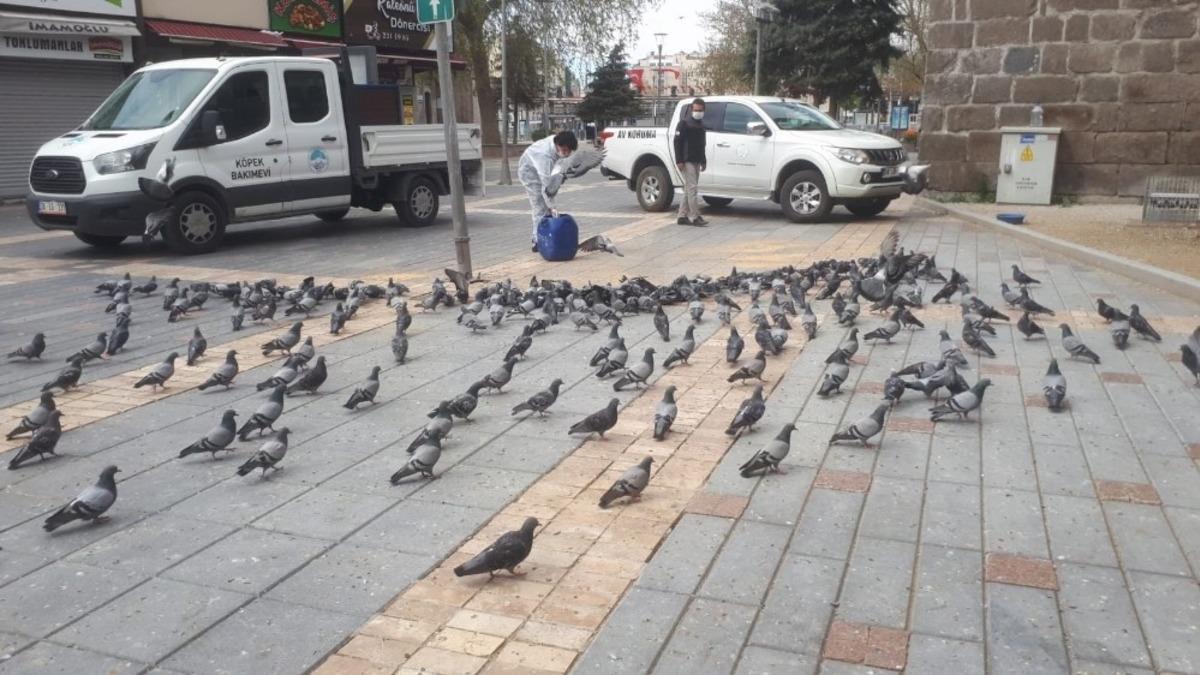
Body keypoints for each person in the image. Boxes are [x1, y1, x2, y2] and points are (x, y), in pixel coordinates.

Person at [519, 130, 578, 251]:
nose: (567, 153)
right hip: (530, 174)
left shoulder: (557, 141)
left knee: (545, 209)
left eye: (569, 151)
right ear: (558, 145)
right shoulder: (544, 155)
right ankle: (537, 241)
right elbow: (546, 186)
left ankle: (545, 236)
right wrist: (552, 206)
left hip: (541, 170)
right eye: (565, 150)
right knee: (539, 207)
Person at [673, 98, 708, 226]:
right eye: (696, 110)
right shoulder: (684, 123)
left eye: (700, 110)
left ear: (704, 110)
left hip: (697, 160)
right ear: (691, 109)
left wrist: (703, 160)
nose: (698, 112)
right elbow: (677, 142)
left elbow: (702, 144)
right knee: (693, 188)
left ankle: (682, 216)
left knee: (689, 189)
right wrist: (679, 160)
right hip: (686, 160)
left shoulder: (701, 124)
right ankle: (695, 216)